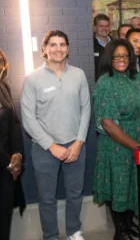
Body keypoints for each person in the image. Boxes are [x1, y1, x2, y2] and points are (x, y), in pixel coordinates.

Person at [21, 30, 91, 240]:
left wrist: (79, 142)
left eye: (62, 44)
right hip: (44, 149)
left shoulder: (78, 74)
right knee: (47, 198)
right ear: (44, 49)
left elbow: (86, 109)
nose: (58, 49)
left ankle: (73, 231)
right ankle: (50, 236)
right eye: (53, 44)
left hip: (75, 145)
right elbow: (28, 118)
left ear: (68, 49)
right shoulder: (32, 78)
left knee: (75, 194)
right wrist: (52, 146)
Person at [92, 39, 140, 240]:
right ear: (109, 58)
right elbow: (109, 124)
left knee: (133, 184)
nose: (121, 59)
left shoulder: (137, 77)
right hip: (117, 145)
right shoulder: (105, 82)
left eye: (125, 55)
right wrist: (136, 145)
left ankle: (130, 224)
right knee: (119, 186)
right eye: (116, 56)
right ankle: (120, 231)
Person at [0, 49, 25, 240]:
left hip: (7, 168)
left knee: (4, 218)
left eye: (1, 61)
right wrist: (9, 161)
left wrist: (18, 155)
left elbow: (14, 123)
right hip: (4, 163)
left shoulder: (3, 87)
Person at [93, 14, 112, 80]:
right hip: (97, 84)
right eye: (101, 26)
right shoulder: (90, 45)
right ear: (95, 27)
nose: (104, 28)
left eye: (107, 26)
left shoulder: (116, 44)